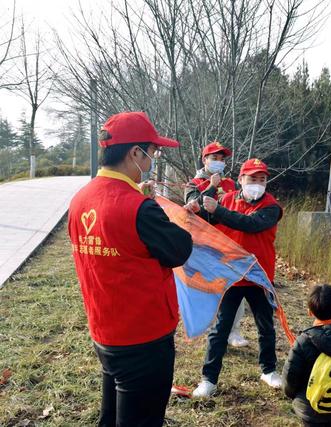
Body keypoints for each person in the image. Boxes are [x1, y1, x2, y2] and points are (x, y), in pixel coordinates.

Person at [68, 111, 193, 427]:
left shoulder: (80, 200)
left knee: (110, 417)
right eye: (152, 152)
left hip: (105, 332)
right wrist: (157, 210)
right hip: (144, 341)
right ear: (135, 153)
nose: (153, 159)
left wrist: (143, 203)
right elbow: (180, 249)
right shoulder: (140, 208)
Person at [187, 158, 284, 398]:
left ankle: (268, 370)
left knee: (265, 326)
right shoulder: (227, 199)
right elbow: (207, 221)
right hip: (230, 275)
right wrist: (197, 210)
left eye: (262, 180)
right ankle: (209, 379)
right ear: (241, 180)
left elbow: (249, 224)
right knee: (220, 328)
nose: (257, 184)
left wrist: (217, 210)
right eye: (252, 179)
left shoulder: (271, 207)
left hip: (258, 275)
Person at [184, 141, 248, 348]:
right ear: (205, 160)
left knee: (234, 286)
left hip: (230, 243)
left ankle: (234, 330)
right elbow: (198, 210)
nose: (219, 162)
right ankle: (214, 330)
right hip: (205, 244)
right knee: (211, 289)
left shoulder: (230, 184)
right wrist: (211, 186)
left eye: (222, 159)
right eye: (215, 158)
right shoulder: (193, 183)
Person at [282, 284, 331, 427]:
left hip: (310, 406)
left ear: (309, 312)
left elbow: (290, 377)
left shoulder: (304, 342)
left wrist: (292, 395)